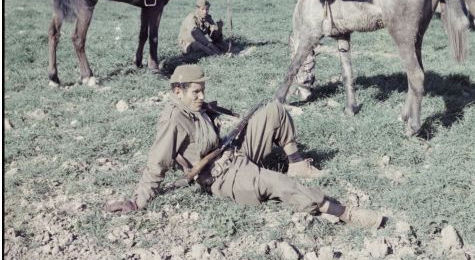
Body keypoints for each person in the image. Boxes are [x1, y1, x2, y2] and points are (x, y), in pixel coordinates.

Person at [106, 64, 385, 229]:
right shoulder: (174, 119)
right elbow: (157, 163)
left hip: (232, 152)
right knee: (276, 182)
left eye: (203, 90)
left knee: (274, 111)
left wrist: (210, 113)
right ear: (177, 92)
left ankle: (298, 164)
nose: (202, 96)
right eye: (196, 92)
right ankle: (343, 212)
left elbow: (210, 133)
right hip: (224, 177)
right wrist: (137, 201)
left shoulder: (195, 107)